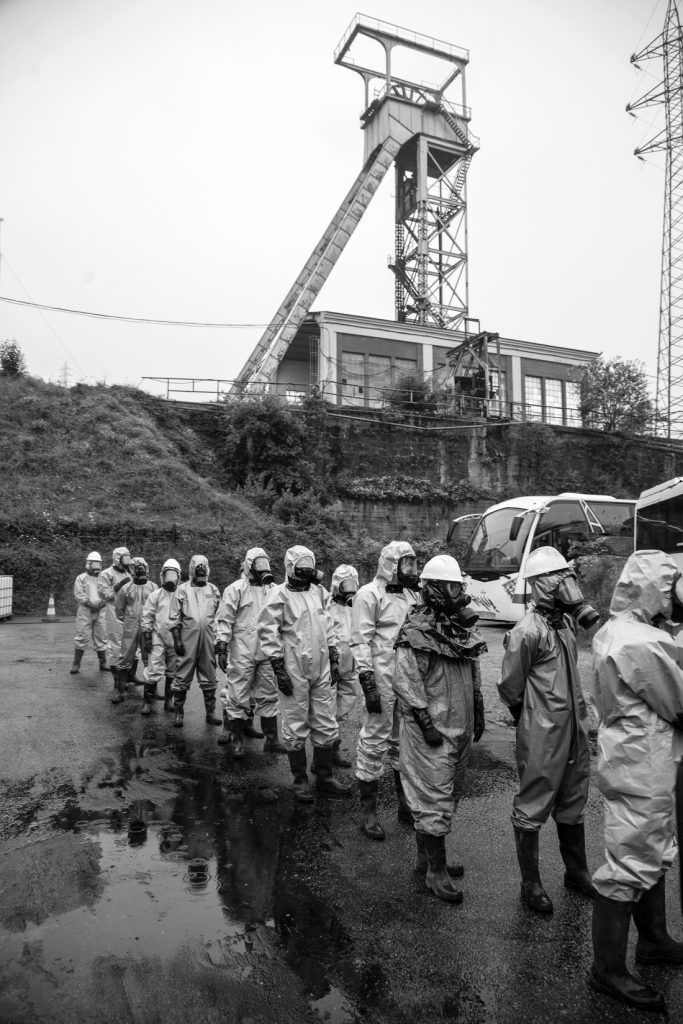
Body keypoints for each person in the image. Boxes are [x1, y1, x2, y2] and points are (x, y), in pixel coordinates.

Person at [588, 550, 683, 1012]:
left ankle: (654, 940)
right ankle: (607, 970)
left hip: (635, 755)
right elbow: (679, 703)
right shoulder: (642, 643)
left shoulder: (619, 630)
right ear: (654, 589)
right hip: (641, 760)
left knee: (651, 850)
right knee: (630, 861)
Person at [498, 546, 597, 914]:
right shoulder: (526, 631)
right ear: (541, 585)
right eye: (559, 578)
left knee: (574, 796)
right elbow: (510, 684)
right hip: (542, 730)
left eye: (568, 577)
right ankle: (531, 884)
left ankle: (577, 872)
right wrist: (529, 719)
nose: (566, 585)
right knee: (535, 800)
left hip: (574, 726)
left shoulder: (567, 625)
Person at [393, 555, 487, 903]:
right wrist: (425, 723)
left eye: (458, 586)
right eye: (449, 587)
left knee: (447, 795)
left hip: (459, 725)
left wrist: (478, 709)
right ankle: (436, 872)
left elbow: (472, 667)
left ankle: (427, 859)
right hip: (431, 729)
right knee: (432, 797)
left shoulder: (459, 627)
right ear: (432, 589)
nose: (456, 593)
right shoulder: (416, 628)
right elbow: (405, 679)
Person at [257, 544, 350, 802]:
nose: (308, 571)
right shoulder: (278, 595)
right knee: (296, 724)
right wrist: (278, 669)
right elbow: (268, 631)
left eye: (311, 566)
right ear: (291, 568)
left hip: (320, 667)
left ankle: (325, 776)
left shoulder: (318, 592)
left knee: (325, 721)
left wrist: (333, 657)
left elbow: (328, 625)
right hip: (293, 668)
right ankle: (299, 781)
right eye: (303, 567)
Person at [351, 540, 420, 841]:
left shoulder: (411, 595)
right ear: (390, 565)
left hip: (406, 677)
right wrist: (368, 683)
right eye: (405, 564)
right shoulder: (369, 594)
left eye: (413, 564)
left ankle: (405, 805)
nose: (410, 570)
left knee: (403, 741)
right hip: (380, 677)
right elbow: (360, 640)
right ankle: (368, 812)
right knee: (374, 739)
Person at [214, 547, 287, 757]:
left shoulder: (273, 589)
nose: (262, 568)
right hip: (242, 651)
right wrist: (221, 645)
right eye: (258, 564)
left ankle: (272, 740)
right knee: (237, 695)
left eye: (265, 563)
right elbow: (225, 619)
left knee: (268, 695)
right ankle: (237, 741)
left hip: (267, 652)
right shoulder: (236, 589)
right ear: (249, 566)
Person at [170, 554, 222, 728]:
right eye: (197, 568)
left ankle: (211, 713)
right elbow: (174, 617)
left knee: (209, 675)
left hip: (208, 640)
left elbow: (220, 616)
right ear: (192, 569)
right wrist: (177, 640)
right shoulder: (182, 590)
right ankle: (178, 713)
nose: (201, 570)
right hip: (187, 641)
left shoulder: (213, 589)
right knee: (182, 675)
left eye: (203, 567)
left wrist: (220, 639)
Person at [326, 564, 361, 768]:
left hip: (351, 664)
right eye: (344, 584)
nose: (348, 589)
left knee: (342, 709)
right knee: (326, 710)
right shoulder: (326, 605)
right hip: (331, 665)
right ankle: (323, 754)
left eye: (352, 584)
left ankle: (334, 748)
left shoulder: (357, 606)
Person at [140, 558, 182, 715]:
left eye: (173, 574)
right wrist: (148, 637)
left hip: (176, 638)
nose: (170, 578)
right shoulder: (156, 595)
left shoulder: (182, 594)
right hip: (158, 636)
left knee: (173, 670)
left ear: (178, 576)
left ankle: (168, 701)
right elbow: (147, 616)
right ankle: (147, 702)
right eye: (167, 574)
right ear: (162, 576)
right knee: (153, 668)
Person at [113, 556, 157, 704]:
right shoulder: (126, 589)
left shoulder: (153, 588)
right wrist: (128, 620)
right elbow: (119, 610)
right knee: (125, 657)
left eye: (142, 566)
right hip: (130, 626)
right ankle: (120, 690)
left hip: (148, 627)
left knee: (150, 658)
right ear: (132, 570)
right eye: (137, 567)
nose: (140, 569)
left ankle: (152, 691)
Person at [97, 546, 132, 693]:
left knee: (130, 645)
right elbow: (104, 594)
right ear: (118, 558)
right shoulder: (106, 574)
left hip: (129, 612)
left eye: (129, 557)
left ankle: (129, 677)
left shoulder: (130, 573)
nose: (128, 561)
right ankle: (117, 681)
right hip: (112, 612)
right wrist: (119, 585)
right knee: (115, 646)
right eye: (125, 558)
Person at [70, 551, 108, 674]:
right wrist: (90, 604)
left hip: (101, 610)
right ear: (88, 564)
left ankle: (103, 663)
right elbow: (79, 594)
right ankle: (76, 664)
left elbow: (108, 593)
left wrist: (103, 603)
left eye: (98, 564)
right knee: (82, 635)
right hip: (86, 611)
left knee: (101, 636)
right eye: (94, 564)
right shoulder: (81, 578)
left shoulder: (103, 578)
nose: (96, 567)